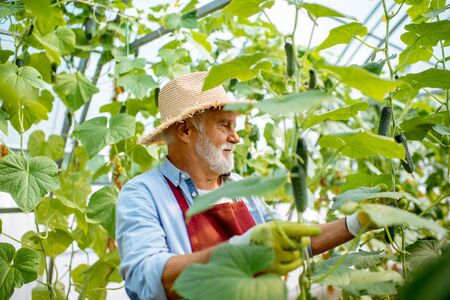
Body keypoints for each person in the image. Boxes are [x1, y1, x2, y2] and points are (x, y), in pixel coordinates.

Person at [116, 71, 368, 300]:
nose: (235, 137)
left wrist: (358, 221)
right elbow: (145, 277)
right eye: (224, 124)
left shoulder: (239, 188)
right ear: (185, 130)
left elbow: (294, 239)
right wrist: (238, 252)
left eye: (234, 126)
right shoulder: (143, 193)